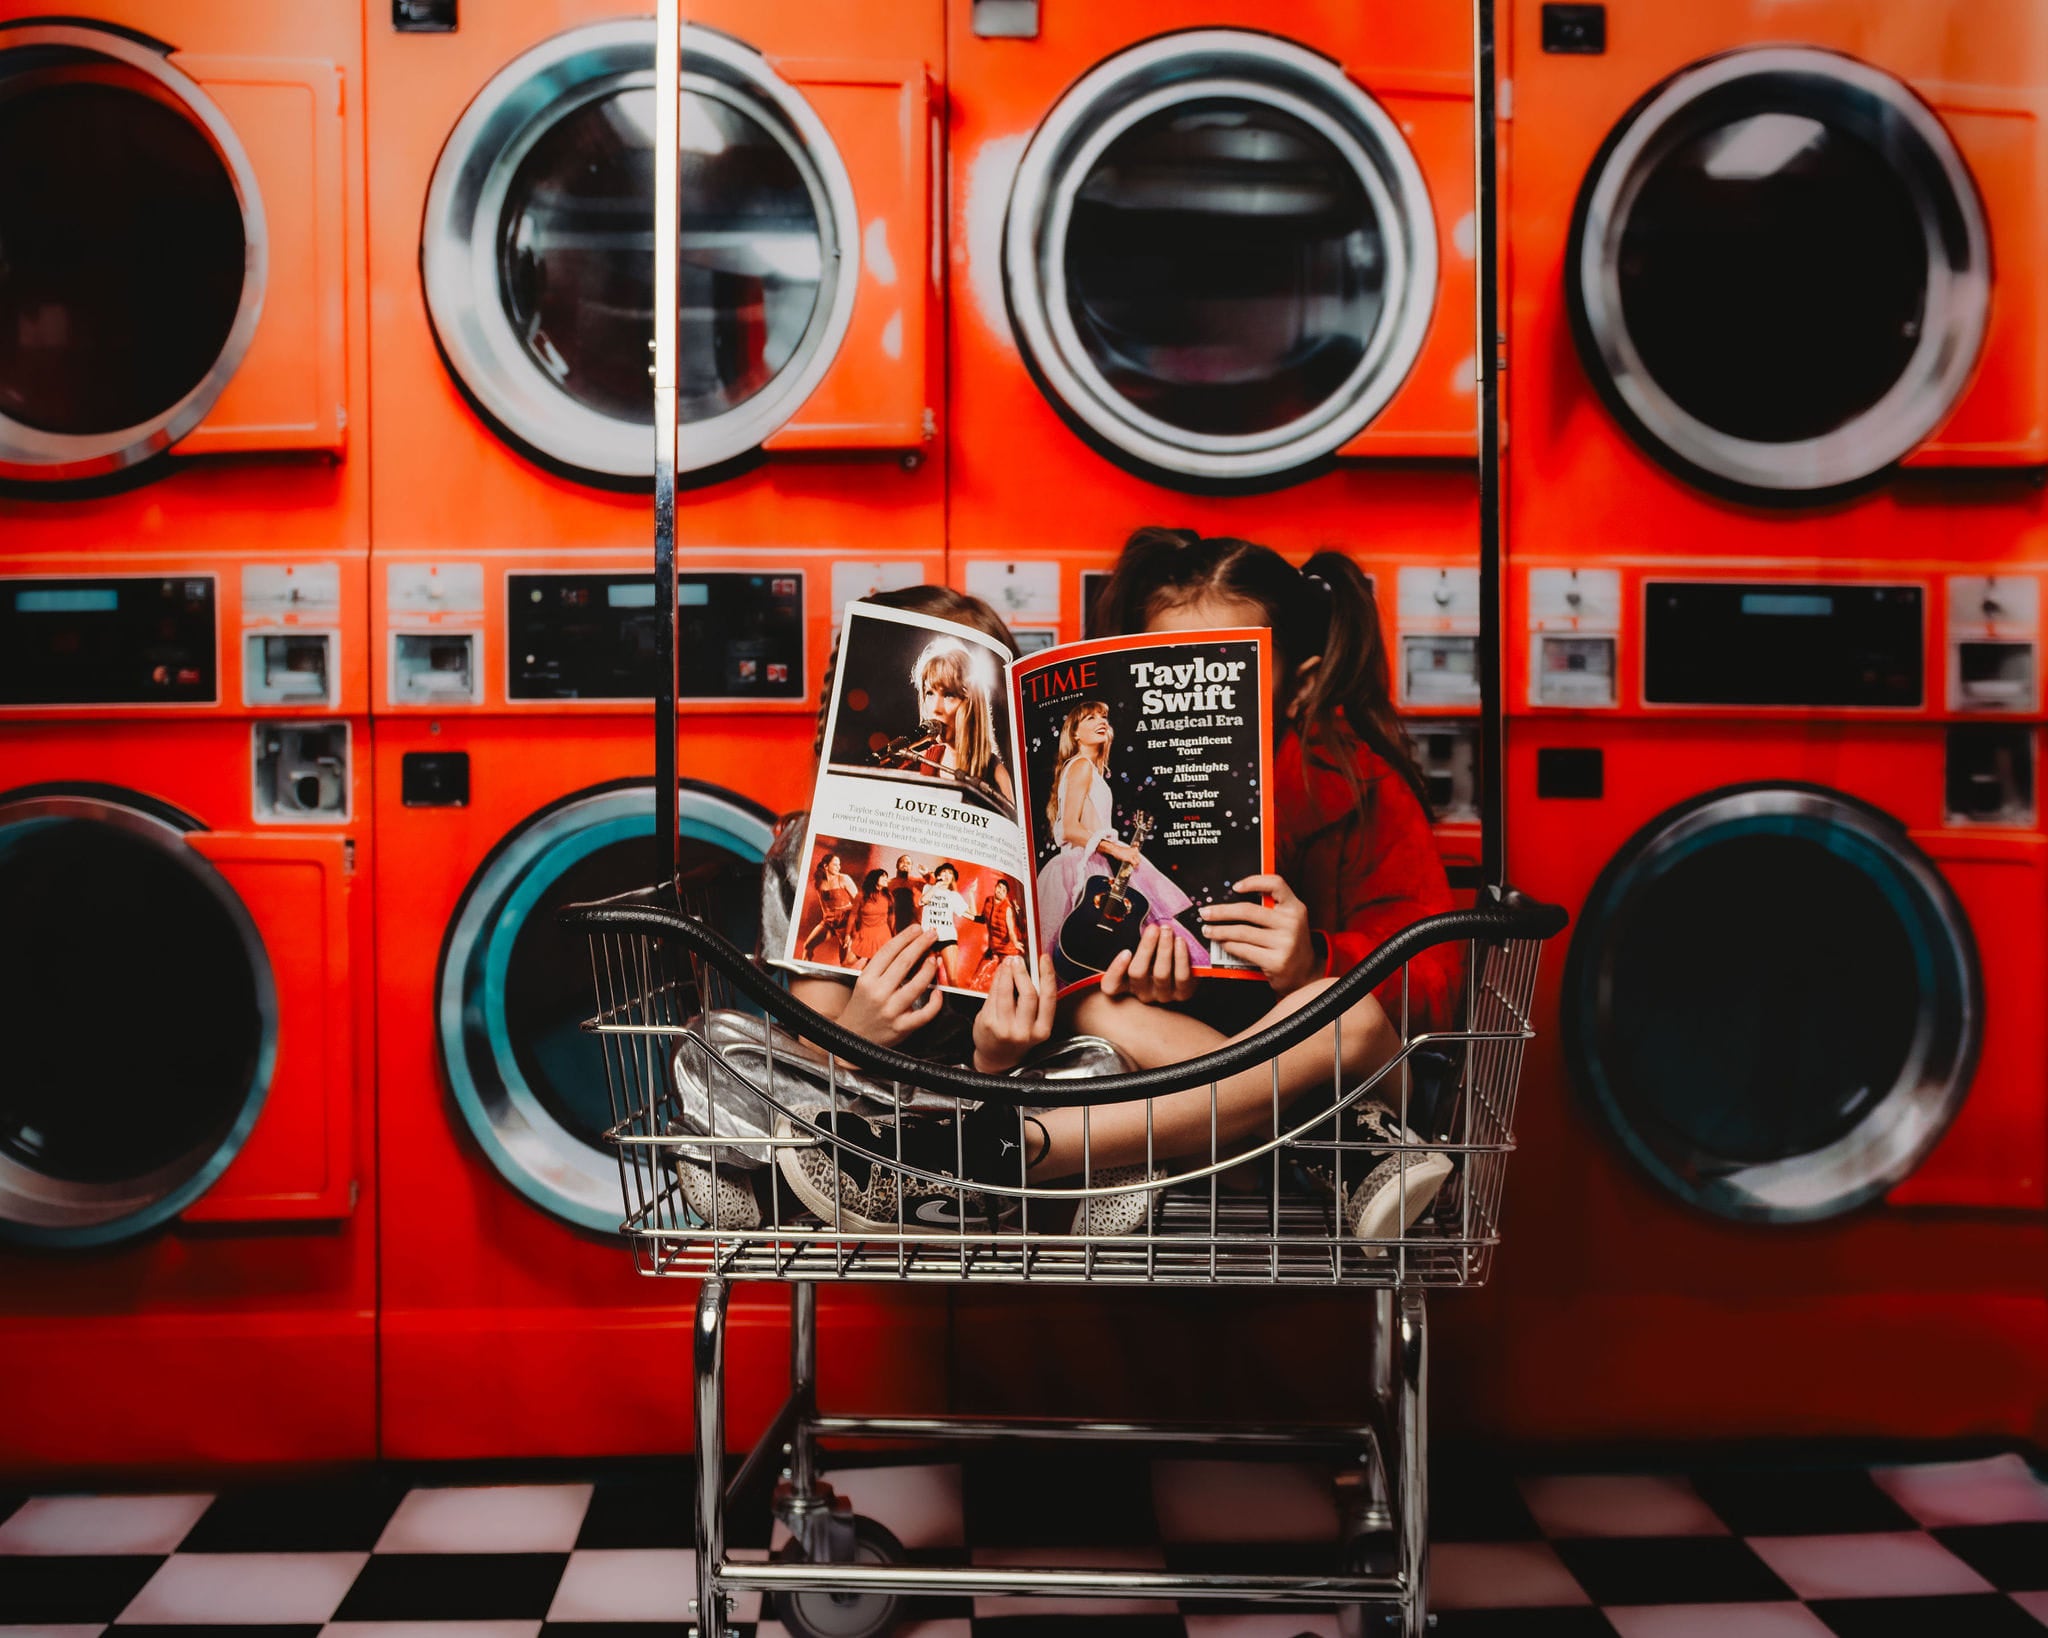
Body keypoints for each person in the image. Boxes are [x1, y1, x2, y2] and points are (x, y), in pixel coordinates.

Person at [836, 531, 1460, 1243]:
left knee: (1338, 1012)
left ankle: (986, 1159)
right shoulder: (1131, 790)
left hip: (1369, 1083)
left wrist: (1313, 961)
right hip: (1234, 1120)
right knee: (1097, 1009)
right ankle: (1322, 1141)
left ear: (1305, 683)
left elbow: (1438, 971)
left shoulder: (1356, 783)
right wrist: (1140, 977)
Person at [1035, 697, 1207, 973]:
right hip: (1078, 867)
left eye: (1103, 717)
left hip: (1096, 861)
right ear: (1075, 733)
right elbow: (1068, 828)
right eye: (1090, 718)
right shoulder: (1079, 765)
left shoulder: (1094, 771)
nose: (1102, 721)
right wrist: (1118, 850)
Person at [895, 636, 1017, 816]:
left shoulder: (995, 772)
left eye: (949, 695)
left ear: (971, 705)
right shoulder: (916, 762)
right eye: (929, 693)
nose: (936, 709)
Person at [918, 861, 975, 986]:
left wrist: (971, 894)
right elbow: (923, 901)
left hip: (948, 937)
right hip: (928, 937)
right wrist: (936, 886)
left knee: (952, 979)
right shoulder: (928, 888)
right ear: (938, 875)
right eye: (944, 872)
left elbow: (972, 915)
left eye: (950, 873)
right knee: (924, 976)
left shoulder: (953, 895)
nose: (947, 875)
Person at [798, 852, 856, 965]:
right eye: (835, 864)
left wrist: (850, 930)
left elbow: (859, 903)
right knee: (807, 946)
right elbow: (823, 905)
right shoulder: (819, 883)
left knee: (844, 961)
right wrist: (827, 919)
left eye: (839, 864)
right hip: (830, 920)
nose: (839, 867)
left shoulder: (844, 878)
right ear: (825, 866)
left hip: (846, 921)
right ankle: (806, 969)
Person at [970, 877, 1026, 990]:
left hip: (1008, 951)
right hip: (993, 949)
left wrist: (1015, 943)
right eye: (999, 887)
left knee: (1007, 984)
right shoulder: (988, 901)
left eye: (1003, 890)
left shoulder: (1007, 908)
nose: (1000, 891)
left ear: (1006, 894)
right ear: (995, 887)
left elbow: (1010, 929)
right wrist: (971, 894)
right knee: (977, 980)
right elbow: (980, 918)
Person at [845, 867, 895, 968]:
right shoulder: (861, 896)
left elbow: (891, 916)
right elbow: (853, 915)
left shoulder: (888, 896)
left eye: (887, 877)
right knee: (848, 962)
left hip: (883, 935)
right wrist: (847, 934)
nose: (886, 879)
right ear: (875, 879)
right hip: (865, 934)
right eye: (883, 877)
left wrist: (894, 934)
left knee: (870, 967)